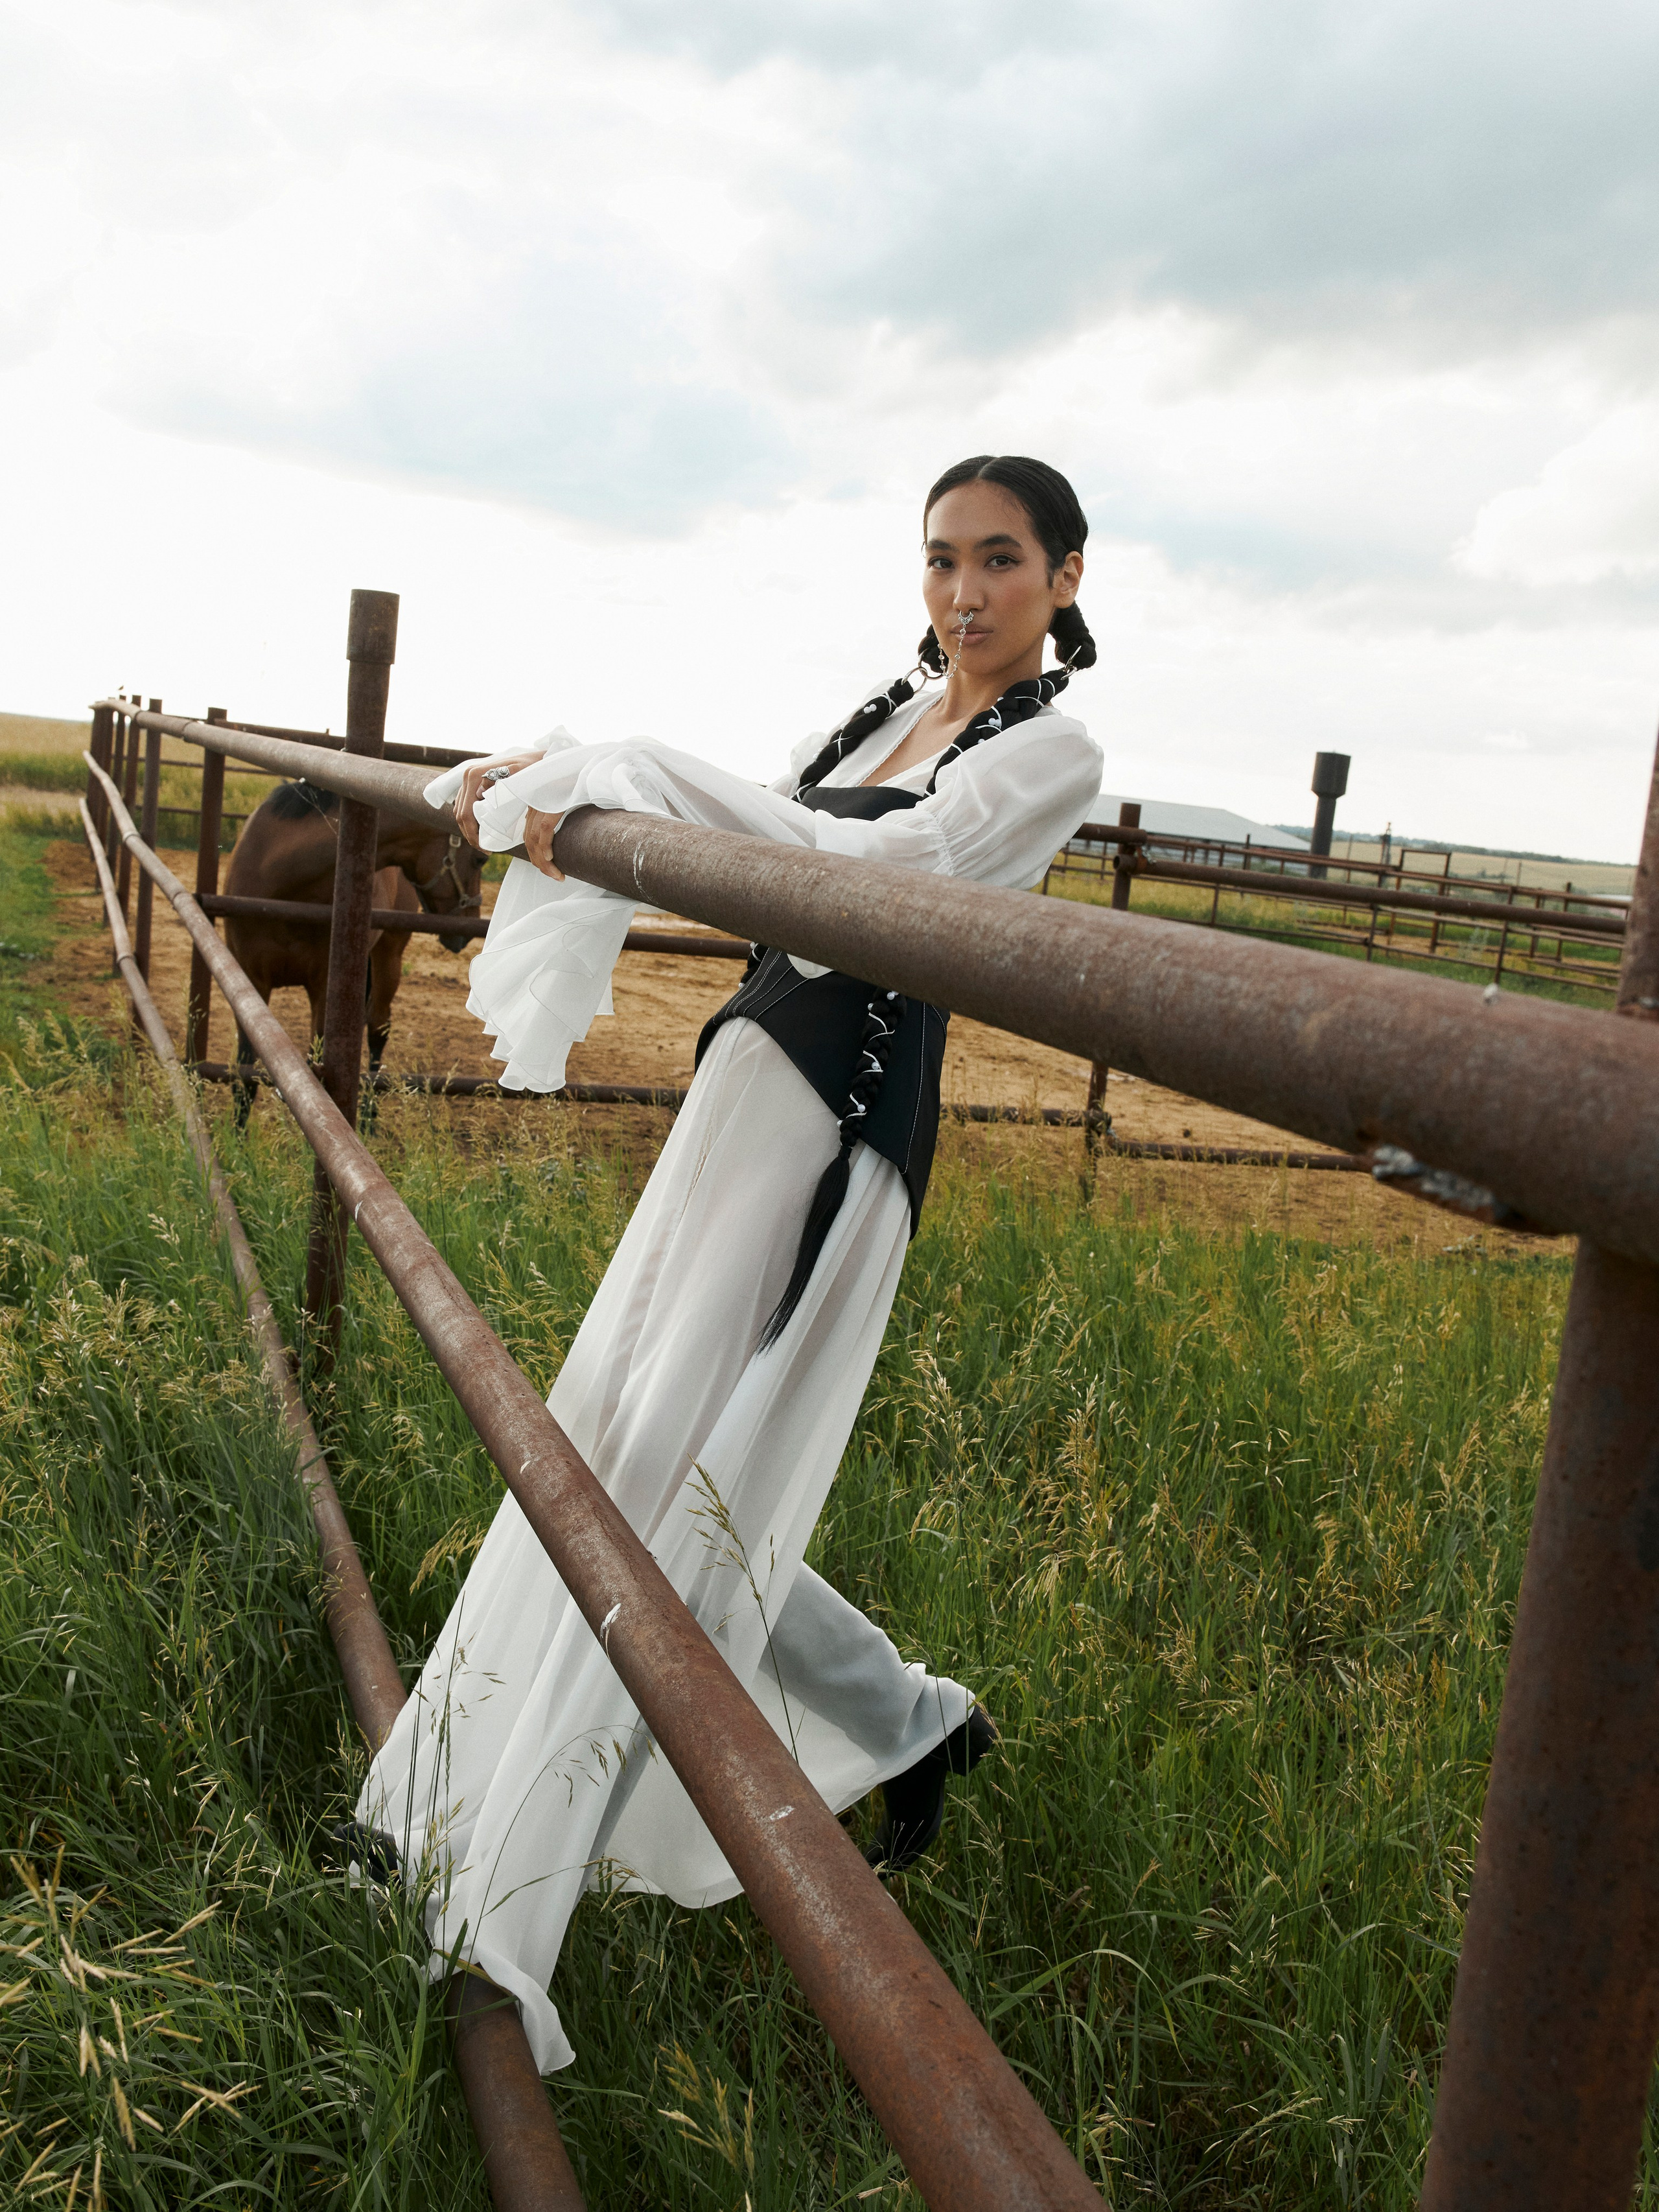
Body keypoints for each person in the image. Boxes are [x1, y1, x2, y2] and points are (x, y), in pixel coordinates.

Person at [354, 454, 1105, 2075]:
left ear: (1062, 577)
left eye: (997, 561)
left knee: (670, 1475)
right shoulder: (866, 722)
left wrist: (623, 777)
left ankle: (506, 1898)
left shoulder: (1050, 752)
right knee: (634, 1448)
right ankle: (903, 1720)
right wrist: (592, 784)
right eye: (938, 563)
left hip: (830, 1137)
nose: (963, 593)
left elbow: (867, 894)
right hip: (737, 1095)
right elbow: (772, 855)